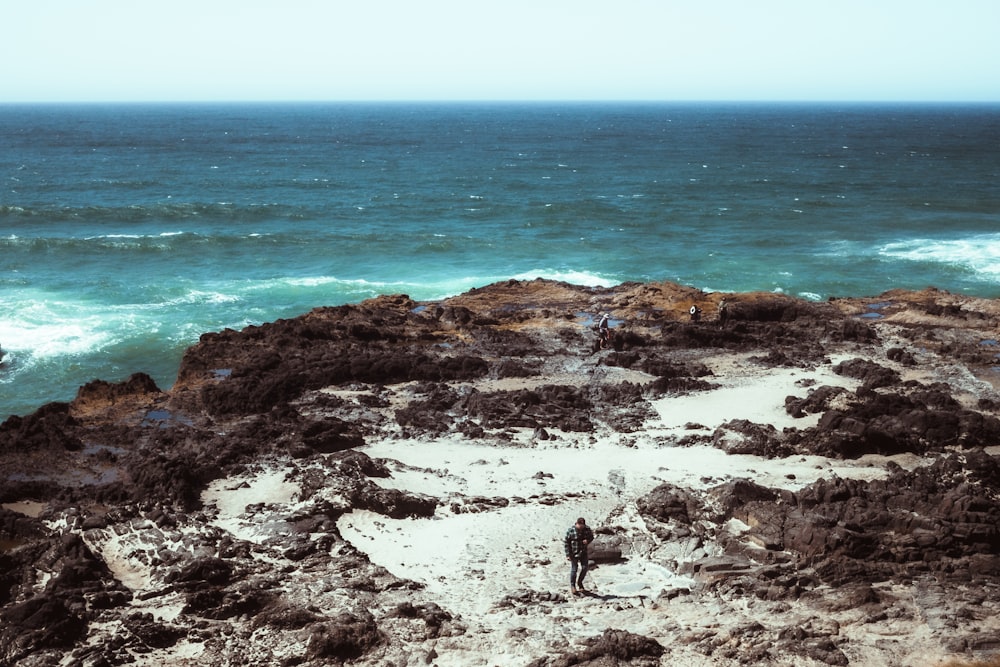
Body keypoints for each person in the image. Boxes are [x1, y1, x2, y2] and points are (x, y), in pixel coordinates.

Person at [564, 517, 594, 595]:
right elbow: (566, 543)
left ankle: (580, 583)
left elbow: (591, 537)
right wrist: (568, 554)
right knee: (574, 569)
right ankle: (573, 586)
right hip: (573, 553)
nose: (581, 527)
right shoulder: (571, 530)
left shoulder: (587, 529)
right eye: (580, 525)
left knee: (585, 568)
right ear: (577, 523)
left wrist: (588, 540)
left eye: (582, 526)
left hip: (583, 552)